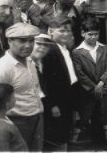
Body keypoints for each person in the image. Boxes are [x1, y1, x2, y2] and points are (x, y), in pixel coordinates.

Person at [0, 23, 43, 150]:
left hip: (37, 120)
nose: (28, 45)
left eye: (31, 40)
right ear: (9, 41)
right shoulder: (2, 68)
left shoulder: (30, 61)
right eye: (22, 41)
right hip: (16, 122)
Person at [72, 17, 107, 145]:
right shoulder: (77, 52)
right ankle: (73, 141)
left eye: (96, 34)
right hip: (87, 90)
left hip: (104, 88)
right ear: (83, 33)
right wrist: (93, 87)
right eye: (90, 34)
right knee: (84, 115)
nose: (93, 37)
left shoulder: (105, 48)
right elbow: (80, 73)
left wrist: (101, 83)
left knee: (106, 114)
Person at [42, 15, 77, 150]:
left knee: (65, 132)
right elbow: (46, 81)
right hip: (57, 101)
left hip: (68, 97)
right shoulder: (50, 52)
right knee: (57, 136)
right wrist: (52, 105)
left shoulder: (64, 49)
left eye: (68, 30)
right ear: (51, 31)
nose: (66, 34)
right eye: (61, 31)